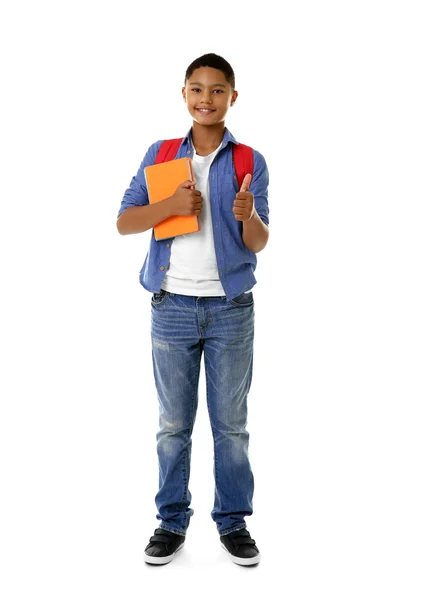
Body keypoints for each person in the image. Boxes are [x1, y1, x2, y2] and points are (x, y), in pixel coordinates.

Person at [116, 53, 270, 566]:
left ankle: (233, 523)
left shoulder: (249, 160)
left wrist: (248, 217)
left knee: (231, 425)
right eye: (197, 89)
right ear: (184, 94)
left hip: (230, 309)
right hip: (172, 306)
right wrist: (171, 208)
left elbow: (259, 240)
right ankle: (170, 523)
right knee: (173, 425)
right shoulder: (161, 154)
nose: (207, 99)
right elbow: (126, 221)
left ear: (232, 97)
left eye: (218, 90)